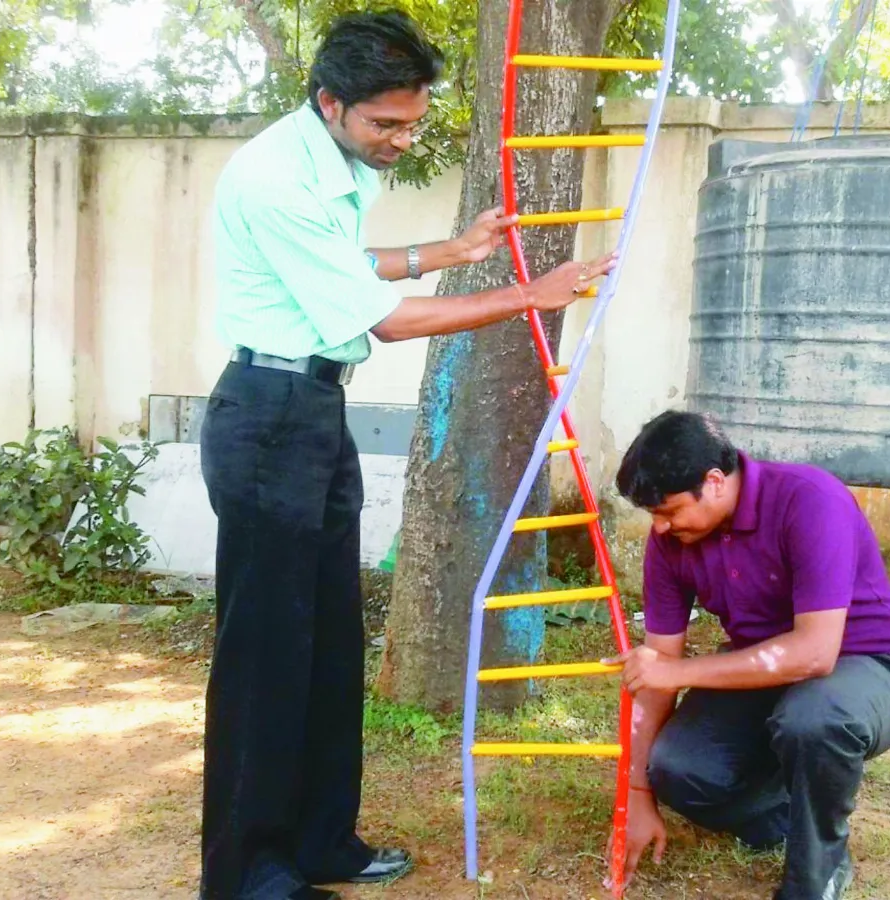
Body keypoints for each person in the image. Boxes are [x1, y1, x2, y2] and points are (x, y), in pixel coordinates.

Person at [198, 11, 614, 900]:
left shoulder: (321, 164)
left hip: (311, 408)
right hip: (267, 417)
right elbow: (377, 320)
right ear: (329, 102)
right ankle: (246, 872)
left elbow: (347, 269)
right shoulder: (275, 176)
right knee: (268, 651)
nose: (401, 139)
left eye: (413, 121)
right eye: (385, 124)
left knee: (328, 642)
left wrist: (449, 252)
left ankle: (320, 842)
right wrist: (524, 295)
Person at [605, 410, 890, 900]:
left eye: (668, 511)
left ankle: (817, 872)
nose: (662, 529)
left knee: (814, 720)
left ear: (713, 482)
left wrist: (677, 671)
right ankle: (802, 812)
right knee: (678, 768)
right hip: (764, 667)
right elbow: (658, 666)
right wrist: (639, 792)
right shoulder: (670, 543)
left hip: (868, 663)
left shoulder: (809, 500)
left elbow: (815, 653)